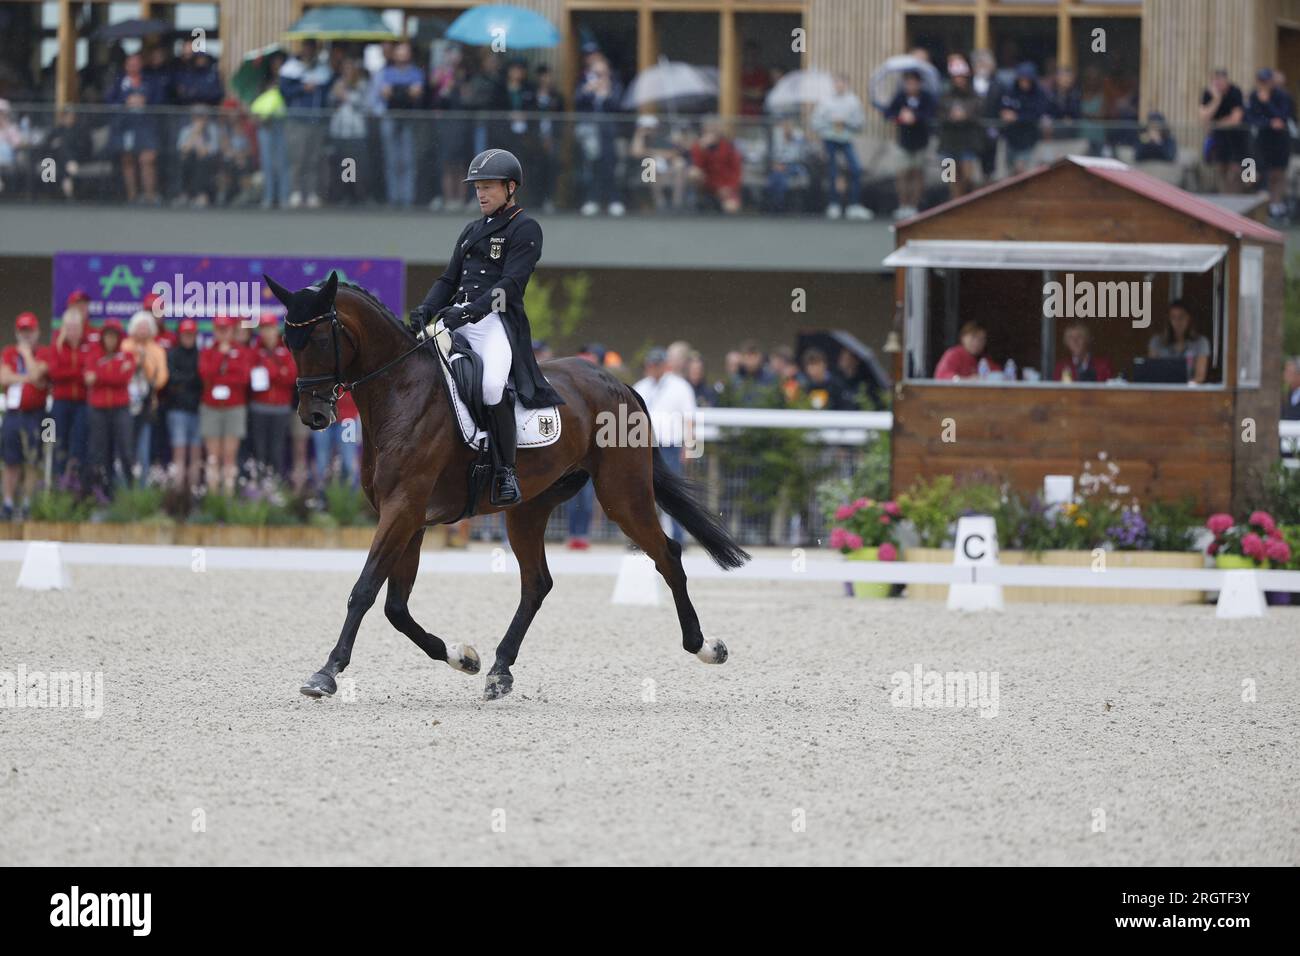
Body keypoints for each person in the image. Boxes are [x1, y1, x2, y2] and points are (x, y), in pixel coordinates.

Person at [407, 148, 563, 506]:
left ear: (511, 187)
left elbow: (510, 285)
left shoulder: (525, 228)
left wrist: (468, 314)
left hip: (494, 321)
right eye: (477, 186)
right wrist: (426, 309)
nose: (480, 193)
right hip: (456, 317)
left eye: (489, 186)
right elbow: (448, 279)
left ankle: (506, 471)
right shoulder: (471, 230)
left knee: (493, 386)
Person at [633, 347, 696, 543]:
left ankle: (678, 537)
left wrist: (689, 446)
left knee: (673, 493)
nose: (653, 368)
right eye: (650, 364)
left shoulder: (680, 386)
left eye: (656, 364)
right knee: (642, 492)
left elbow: (689, 417)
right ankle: (642, 536)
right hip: (643, 446)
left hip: (670, 446)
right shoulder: (641, 386)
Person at [1, 312, 50, 519]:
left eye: (30, 331)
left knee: (33, 458)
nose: (26, 336)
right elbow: (3, 377)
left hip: (36, 413)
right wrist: (27, 378)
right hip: (13, 413)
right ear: (17, 333)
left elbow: (38, 374)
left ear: (37, 332)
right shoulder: (9, 352)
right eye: (23, 332)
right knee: (10, 460)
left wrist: (27, 355)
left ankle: (28, 503)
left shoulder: (44, 352)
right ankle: (8, 502)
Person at [199, 314, 252, 494]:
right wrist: (221, 357)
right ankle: (213, 497)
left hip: (234, 407)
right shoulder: (208, 351)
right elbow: (206, 374)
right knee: (213, 456)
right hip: (211, 407)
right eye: (219, 330)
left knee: (230, 456)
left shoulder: (242, 351)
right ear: (214, 331)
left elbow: (243, 379)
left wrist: (223, 376)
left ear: (232, 331)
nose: (222, 334)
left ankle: (228, 497)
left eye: (226, 330)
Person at [84, 319, 137, 496]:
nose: (111, 340)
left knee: (126, 452)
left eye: (114, 336)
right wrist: (114, 372)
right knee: (99, 453)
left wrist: (100, 376)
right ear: (103, 337)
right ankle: (100, 494)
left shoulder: (127, 355)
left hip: (121, 409)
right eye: (108, 336)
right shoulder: (93, 354)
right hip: (98, 409)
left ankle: (131, 493)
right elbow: (88, 379)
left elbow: (124, 378)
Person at [812, 74, 871, 219]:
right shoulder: (825, 101)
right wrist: (830, 123)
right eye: (837, 83)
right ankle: (834, 204)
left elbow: (860, 123)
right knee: (832, 172)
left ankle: (854, 204)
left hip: (846, 139)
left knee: (855, 169)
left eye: (842, 83)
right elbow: (815, 122)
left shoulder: (853, 101)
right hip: (830, 139)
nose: (839, 86)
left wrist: (846, 123)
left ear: (847, 84)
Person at [574, 54, 626, 216]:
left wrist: (605, 94)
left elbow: (618, 105)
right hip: (590, 134)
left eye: (603, 73)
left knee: (609, 166)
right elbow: (577, 101)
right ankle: (592, 200)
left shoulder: (615, 86)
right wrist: (589, 91)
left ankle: (614, 200)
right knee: (591, 167)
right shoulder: (585, 84)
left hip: (608, 134)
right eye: (597, 73)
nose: (600, 77)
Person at [248, 313, 296, 479]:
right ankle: (259, 486)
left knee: (277, 449)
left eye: (269, 328)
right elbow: (248, 376)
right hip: (259, 407)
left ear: (276, 329)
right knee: (259, 449)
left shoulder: (285, 349)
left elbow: (291, 377)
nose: (267, 332)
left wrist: (271, 371)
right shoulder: (255, 350)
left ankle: (276, 486)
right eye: (263, 329)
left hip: (280, 409)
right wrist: (278, 372)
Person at [376, 42, 425, 208]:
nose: (402, 56)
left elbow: (416, 93)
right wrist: (405, 91)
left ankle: (407, 198)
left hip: (408, 119)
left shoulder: (416, 72)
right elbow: (385, 93)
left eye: (405, 52)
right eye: (400, 52)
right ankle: (394, 198)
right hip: (391, 118)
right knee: (392, 160)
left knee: (408, 159)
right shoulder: (387, 72)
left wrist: (397, 91)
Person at [122, 310, 168, 480]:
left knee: (143, 449)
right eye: (139, 327)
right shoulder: (124, 346)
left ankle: (142, 491)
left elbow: (161, 379)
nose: (142, 331)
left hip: (147, 405)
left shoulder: (157, 350)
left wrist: (145, 361)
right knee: (125, 449)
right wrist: (135, 361)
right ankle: (124, 488)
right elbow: (119, 373)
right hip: (125, 405)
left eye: (145, 327)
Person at [46, 307, 90, 483]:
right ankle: (57, 481)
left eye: (76, 328)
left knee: (79, 442)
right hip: (61, 401)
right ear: (64, 328)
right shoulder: (56, 346)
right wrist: (78, 373)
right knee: (59, 441)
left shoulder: (87, 346)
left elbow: (90, 372)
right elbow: (54, 373)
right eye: (69, 327)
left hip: (82, 402)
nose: (73, 332)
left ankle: (75, 482)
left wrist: (70, 373)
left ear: (81, 329)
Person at [885, 69, 936, 220]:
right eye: (908, 83)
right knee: (902, 173)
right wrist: (900, 117)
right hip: (903, 141)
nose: (911, 86)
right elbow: (889, 113)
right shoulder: (900, 97)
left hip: (921, 141)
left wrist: (915, 117)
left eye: (914, 83)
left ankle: (914, 205)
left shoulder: (927, 97)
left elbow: (930, 113)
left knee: (917, 173)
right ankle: (903, 205)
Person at [1246, 68, 1292, 222]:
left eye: (1266, 81)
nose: (1264, 84)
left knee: (1277, 173)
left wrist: (1267, 103)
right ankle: (1260, 207)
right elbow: (1251, 117)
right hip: (1261, 140)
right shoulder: (1254, 95)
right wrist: (1269, 123)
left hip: (1280, 141)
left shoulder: (1282, 95)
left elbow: (1283, 117)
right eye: (1261, 81)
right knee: (1256, 173)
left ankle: (1276, 206)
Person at [164, 318, 203, 489]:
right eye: (185, 334)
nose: (188, 337)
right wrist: (189, 380)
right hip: (177, 411)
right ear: (179, 335)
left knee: (196, 456)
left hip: (198, 410)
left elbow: (202, 379)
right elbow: (171, 379)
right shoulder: (172, 354)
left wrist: (183, 382)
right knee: (178, 455)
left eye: (191, 334)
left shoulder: (201, 354)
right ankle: (178, 496)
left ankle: (193, 497)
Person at [938, 56, 983, 199]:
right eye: (956, 77)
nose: (959, 80)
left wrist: (965, 115)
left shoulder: (974, 95)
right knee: (950, 179)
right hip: (947, 144)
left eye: (962, 77)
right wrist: (951, 116)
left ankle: (964, 202)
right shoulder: (944, 96)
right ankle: (954, 204)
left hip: (967, 143)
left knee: (968, 177)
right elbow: (939, 115)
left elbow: (978, 111)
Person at [994, 62, 1050, 175]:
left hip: (1029, 138)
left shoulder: (1039, 93)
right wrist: (1004, 113)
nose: (1024, 83)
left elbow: (1038, 113)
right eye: (1022, 79)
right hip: (1011, 137)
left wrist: (1018, 117)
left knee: (1022, 170)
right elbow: (1002, 107)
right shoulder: (1010, 90)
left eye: (1027, 80)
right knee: (1010, 172)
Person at [1200, 69, 1247, 194]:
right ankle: (1225, 197)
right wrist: (1216, 99)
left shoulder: (1235, 92)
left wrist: (1216, 123)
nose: (1218, 84)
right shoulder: (1209, 93)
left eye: (1221, 81)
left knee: (1236, 169)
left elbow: (1236, 119)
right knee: (1221, 169)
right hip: (1219, 138)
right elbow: (1204, 117)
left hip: (1236, 137)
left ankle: (1236, 197)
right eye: (1216, 81)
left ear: (1227, 81)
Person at [1148, 300, 1211, 384]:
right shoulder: (1156, 341)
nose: (1177, 322)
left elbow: (1199, 376)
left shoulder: (1201, 342)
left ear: (1189, 318)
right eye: (1173, 317)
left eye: (1181, 317)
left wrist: (1185, 388)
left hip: (1188, 393)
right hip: (1162, 391)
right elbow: (1152, 373)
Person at [689, 117, 742, 214]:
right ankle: (696, 199)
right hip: (707, 184)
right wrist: (702, 149)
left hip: (725, 186)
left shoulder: (728, 146)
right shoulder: (699, 146)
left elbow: (737, 170)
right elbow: (697, 165)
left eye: (715, 128)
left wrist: (730, 187)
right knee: (693, 173)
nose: (712, 131)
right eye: (709, 128)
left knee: (731, 207)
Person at [934, 321, 1001, 380]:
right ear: (963, 337)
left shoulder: (984, 359)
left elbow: (998, 375)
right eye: (973, 337)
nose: (977, 343)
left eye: (981, 339)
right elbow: (941, 376)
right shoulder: (954, 354)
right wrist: (966, 380)